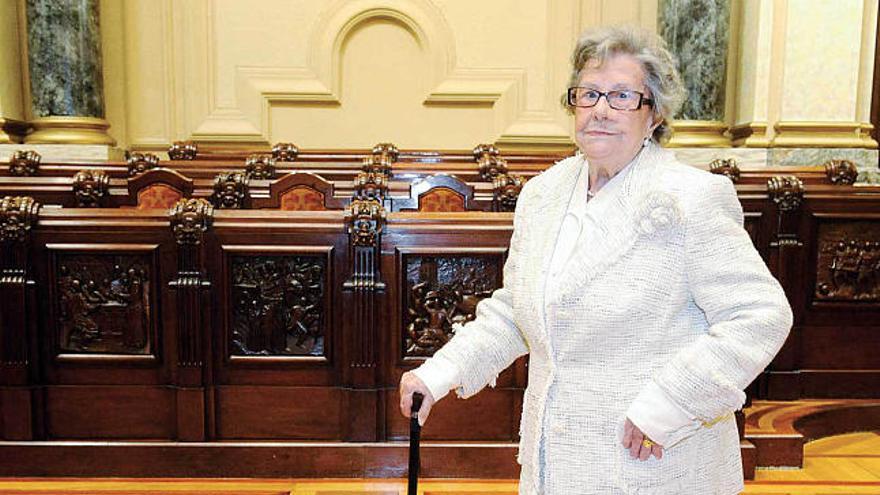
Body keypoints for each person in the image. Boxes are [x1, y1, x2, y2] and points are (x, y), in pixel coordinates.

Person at [398, 25, 792, 495]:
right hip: (558, 463)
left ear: (655, 113)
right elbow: (517, 310)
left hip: (654, 463)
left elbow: (760, 316)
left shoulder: (692, 198)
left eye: (622, 96)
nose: (601, 110)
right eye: (589, 94)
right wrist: (438, 373)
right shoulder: (543, 194)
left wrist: (670, 404)